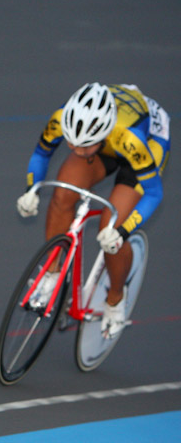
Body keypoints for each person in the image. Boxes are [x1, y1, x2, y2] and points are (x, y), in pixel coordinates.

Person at [16, 83, 170, 339]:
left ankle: (115, 299)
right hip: (104, 139)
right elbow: (41, 155)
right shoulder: (62, 120)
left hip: (146, 143)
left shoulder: (131, 139)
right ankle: (52, 274)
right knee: (62, 195)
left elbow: (154, 194)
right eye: (72, 143)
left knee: (109, 227)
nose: (76, 151)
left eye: (84, 146)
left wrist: (123, 230)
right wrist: (31, 189)